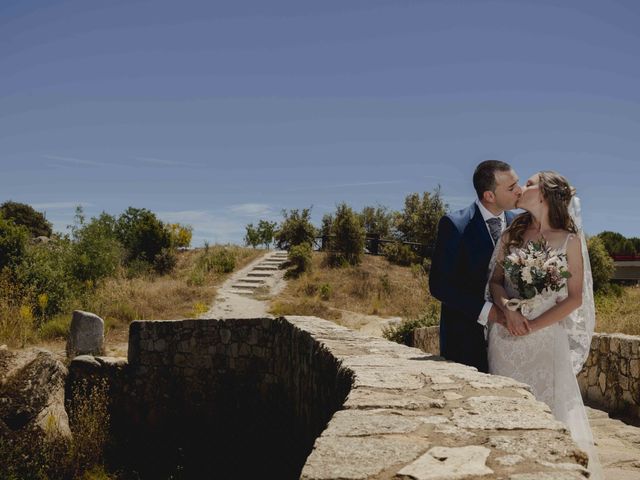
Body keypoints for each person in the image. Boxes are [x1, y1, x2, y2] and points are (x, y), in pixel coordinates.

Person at [486, 170, 601, 478]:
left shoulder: (569, 241)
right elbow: (496, 282)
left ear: (546, 194)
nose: (522, 187)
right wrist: (509, 308)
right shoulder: (512, 232)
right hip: (506, 341)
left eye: (531, 182)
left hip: (545, 345)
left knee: (547, 419)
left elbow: (574, 299)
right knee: (505, 417)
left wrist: (533, 327)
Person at [429, 160, 523, 373]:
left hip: (513, 342)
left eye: (517, 183)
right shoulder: (455, 225)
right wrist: (489, 312)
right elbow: (439, 285)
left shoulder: (521, 225)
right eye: (511, 188)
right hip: (465, 340)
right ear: (489, 195)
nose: (519, 191)